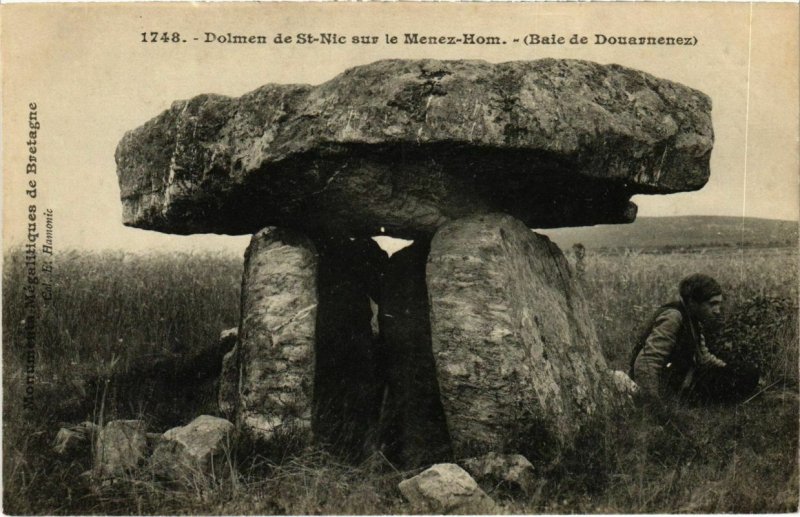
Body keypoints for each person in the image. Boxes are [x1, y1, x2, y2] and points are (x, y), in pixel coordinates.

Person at [630, 273, 760, 403]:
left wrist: (727, 369)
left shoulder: (693, 318)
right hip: (667, 387)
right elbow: (647, 362)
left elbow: (703, 357)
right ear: (692, 302)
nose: (717, 310)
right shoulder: (673, 317)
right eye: (712, 304)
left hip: (681, 380)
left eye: (718, 304)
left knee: (745, 371)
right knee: (746, 375)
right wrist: (653, 403)